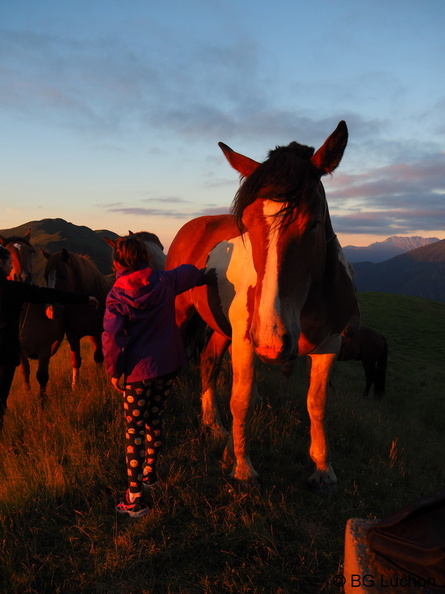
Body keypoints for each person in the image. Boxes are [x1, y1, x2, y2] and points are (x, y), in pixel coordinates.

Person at [102, 235, 206, 518]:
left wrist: (114, 372)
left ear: (116, 263)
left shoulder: (116, 296)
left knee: (133, 429)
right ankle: (150, 475)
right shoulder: (165, 281)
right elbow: (191, 273)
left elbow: (111, 338)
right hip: (168, 366)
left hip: (137, 372)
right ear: (146, 258)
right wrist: (206, 271)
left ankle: (134, 499)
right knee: (155, 420)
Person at [0, 244, 99, 431]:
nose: (12, 267)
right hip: (4, 352)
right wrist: (85, 299)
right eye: (9, 263)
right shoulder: (12, 289)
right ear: (0, 263)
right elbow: (46, 293)